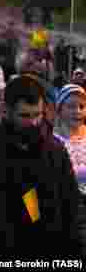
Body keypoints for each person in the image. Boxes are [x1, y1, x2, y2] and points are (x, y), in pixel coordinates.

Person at [0, 75, 82, 261]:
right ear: (6, 111)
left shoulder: (55, 151)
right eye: (25, 116)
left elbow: (70, 207)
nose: (34, 122)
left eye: (37, 114)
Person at [51, 83, 86, 247]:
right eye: (71, 106)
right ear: (59, 110)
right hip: (66, 208)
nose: (78, 111)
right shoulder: (53, 139)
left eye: (82, 106)